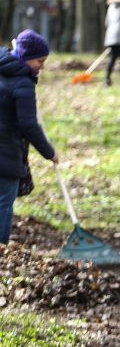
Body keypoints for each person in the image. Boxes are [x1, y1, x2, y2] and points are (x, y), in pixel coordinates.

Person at [0, 30, 59, 244]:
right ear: (25, 58)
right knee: (3, 204)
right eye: (40, 60)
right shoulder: (23, 83)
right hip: (6, 153)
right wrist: (49, 152)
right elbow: (28, 125)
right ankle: (1, 251)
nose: (42, 66)